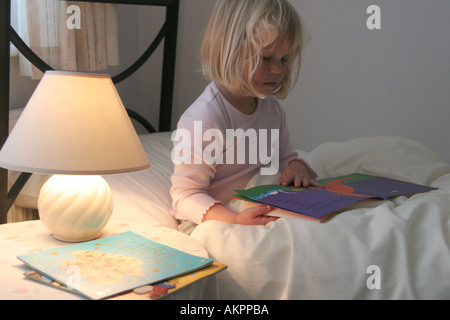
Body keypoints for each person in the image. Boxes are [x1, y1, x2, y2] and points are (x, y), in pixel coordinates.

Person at [170, 0, 319, 229]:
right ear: (228, 51)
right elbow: (185, 196)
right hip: (216, 217)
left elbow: (285, 157)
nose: (278, 69)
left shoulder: (271, 108)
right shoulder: (205, 118)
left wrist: (296, 166)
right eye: (265, 57)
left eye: (284, 59)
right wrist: (235, 219)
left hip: (258, 203)